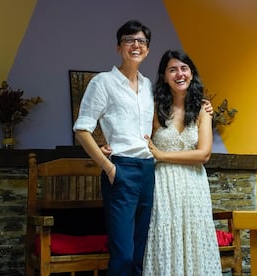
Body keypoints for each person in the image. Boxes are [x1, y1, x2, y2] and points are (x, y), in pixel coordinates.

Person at [73, 20, 155, 275]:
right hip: (122, 170)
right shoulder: (103, 82)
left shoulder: (149, 86)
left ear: (147, 49)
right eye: (129, 40)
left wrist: (203, 108)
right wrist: (108, 167)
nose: (135, 45)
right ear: (119, 47)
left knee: (141, 253)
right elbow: (82, 130)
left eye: (141, 41)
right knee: (123, 255)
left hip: (148, 170)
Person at [142, 50, 222, 275]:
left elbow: (204, 154)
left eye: (184, 68)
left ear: (191, 73)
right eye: (172, 69)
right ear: (164, 76)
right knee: (165, 236)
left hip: (194, 185)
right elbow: (140, 141)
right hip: (163, 185)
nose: (179, 74)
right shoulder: (154, 109)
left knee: (195, 238)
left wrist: (162, 155)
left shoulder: (202, 109)